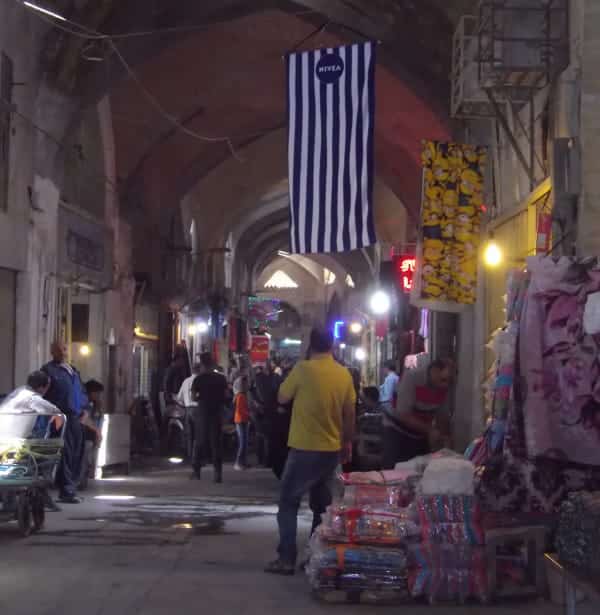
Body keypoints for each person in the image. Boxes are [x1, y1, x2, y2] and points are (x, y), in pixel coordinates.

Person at [265, 327, 356, 576]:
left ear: (310, 345)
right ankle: (316, 558)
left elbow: (282, 398)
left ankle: (286, 558)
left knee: (287, 501)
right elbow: (349, 414)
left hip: (305, 447)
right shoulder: (343, 374)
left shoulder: (302, 370)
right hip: (332, 450)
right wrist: (347, 444)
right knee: (323, 506)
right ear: (332, 345)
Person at [381, 359, 453, 470]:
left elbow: (442, 415)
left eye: (449, 381)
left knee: (421, 468)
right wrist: (430, 430)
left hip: (420, 430)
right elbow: (403, 414)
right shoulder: (412, 378)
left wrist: (445, 439)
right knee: (395, 469)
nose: (446, 385)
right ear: (434, 371)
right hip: (396, 429)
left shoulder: (443, 387)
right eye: (443, 380)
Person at [42, 342, 87, 504]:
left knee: (76, 452)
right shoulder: (48, 371)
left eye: (64, 349)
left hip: (76, 418)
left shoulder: (73, 371)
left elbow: (81, 393)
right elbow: (43, 394)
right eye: (59, 349)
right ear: (52, 351)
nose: (63, 352)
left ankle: (71, 487)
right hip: (60, 418)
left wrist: (84, 409)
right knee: (65, 453)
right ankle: (66, 491)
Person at [190, 352, 228, 482]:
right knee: (216, 443)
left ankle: (196, 472)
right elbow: (227, 395)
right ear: (212, 363)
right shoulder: (221, 379)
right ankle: (218, 474)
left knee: (199, 442)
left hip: (202, 412)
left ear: (202, 364)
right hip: (217, 412)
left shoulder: (198, 379)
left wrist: (202, 397)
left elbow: (193, 397)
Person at [78, 380, 104, 488]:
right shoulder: (84, 403)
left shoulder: (94, 405)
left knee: (88, 460)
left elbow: (98, 419)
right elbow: (84, 420)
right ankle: (80, 481)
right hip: (84, 436)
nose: (99, 396)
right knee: (84, 459)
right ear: (91, 392)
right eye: (97, 393)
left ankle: (83, 480)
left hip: (91, 436)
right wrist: (97, 431)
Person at [177, 363, 201, 464]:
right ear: (199, 370)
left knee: (189, 434)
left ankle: (190, 457)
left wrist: (185, 404)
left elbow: (179, 398)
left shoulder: (186, 381)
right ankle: (197, 458)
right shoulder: (200, 380)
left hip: (188, 410)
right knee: (198, 434)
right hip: (198, 409)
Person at [233, 375, 250, 470]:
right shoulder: (240, 396)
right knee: (242, 442)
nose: (247, 384)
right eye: (245, 383)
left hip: (244, 420)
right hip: (240, 420)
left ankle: (243, 462)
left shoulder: (243, 395)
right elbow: (240, 410)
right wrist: (249, 413)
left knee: (245, 442)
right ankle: (238, 462)